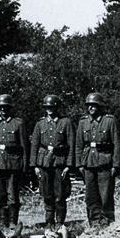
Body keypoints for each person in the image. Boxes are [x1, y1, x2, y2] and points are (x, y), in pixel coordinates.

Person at [74, 92, 120, 227]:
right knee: (91, 196)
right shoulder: (83, 122)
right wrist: (79, 165)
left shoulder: (110, 121)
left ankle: (107, 222)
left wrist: (116, 165)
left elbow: (117, 144)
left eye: (94, 105)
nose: (91, 108)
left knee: (106, 196)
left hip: (105, 163)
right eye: (89, 105)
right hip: (88, 163)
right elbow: (79, 145)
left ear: (100, 106)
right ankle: (94, 223)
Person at [30, 95, 75, 228]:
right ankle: (49, 222)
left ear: (57, 107)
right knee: (46, 194)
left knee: (60, 194)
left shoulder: (66, 122)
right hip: (43, 163)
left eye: (52, 107)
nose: (49, 110)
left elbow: (71, 145)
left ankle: (60, 222)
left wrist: (68, 165)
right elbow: (34, 145)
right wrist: (35, 165)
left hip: (60, 163)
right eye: (47, 107)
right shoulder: (40, 124)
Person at [0, 94, 28, 229]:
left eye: (5, 107)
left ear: (10, 108)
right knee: (0, 195)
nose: (3, 110)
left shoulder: (18, 123)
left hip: (13, 163)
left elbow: (25, 146)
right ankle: (3, 222)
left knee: (12, 195)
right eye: (0, 107)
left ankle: (13, 222)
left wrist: (25, 166)